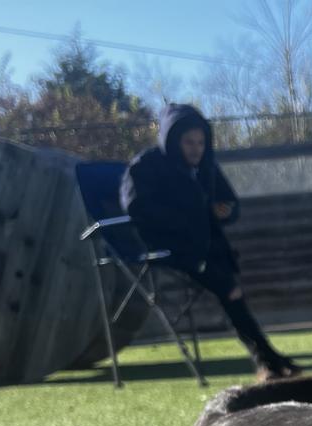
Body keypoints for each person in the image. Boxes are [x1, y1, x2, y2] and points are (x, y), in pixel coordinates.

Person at [120, 103, 299, 381]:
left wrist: (225, 211)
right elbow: (137, 208)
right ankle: (268, 359)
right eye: (189, 142)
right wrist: (189, 215)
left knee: (231, 287)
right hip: (169, 247)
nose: (196, 148)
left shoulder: (207, 167)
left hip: (206, 246)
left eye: (201, 142)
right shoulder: (145, 166)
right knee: (230, 290)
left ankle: (269, 360)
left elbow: (229, 203)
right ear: (173, 140)